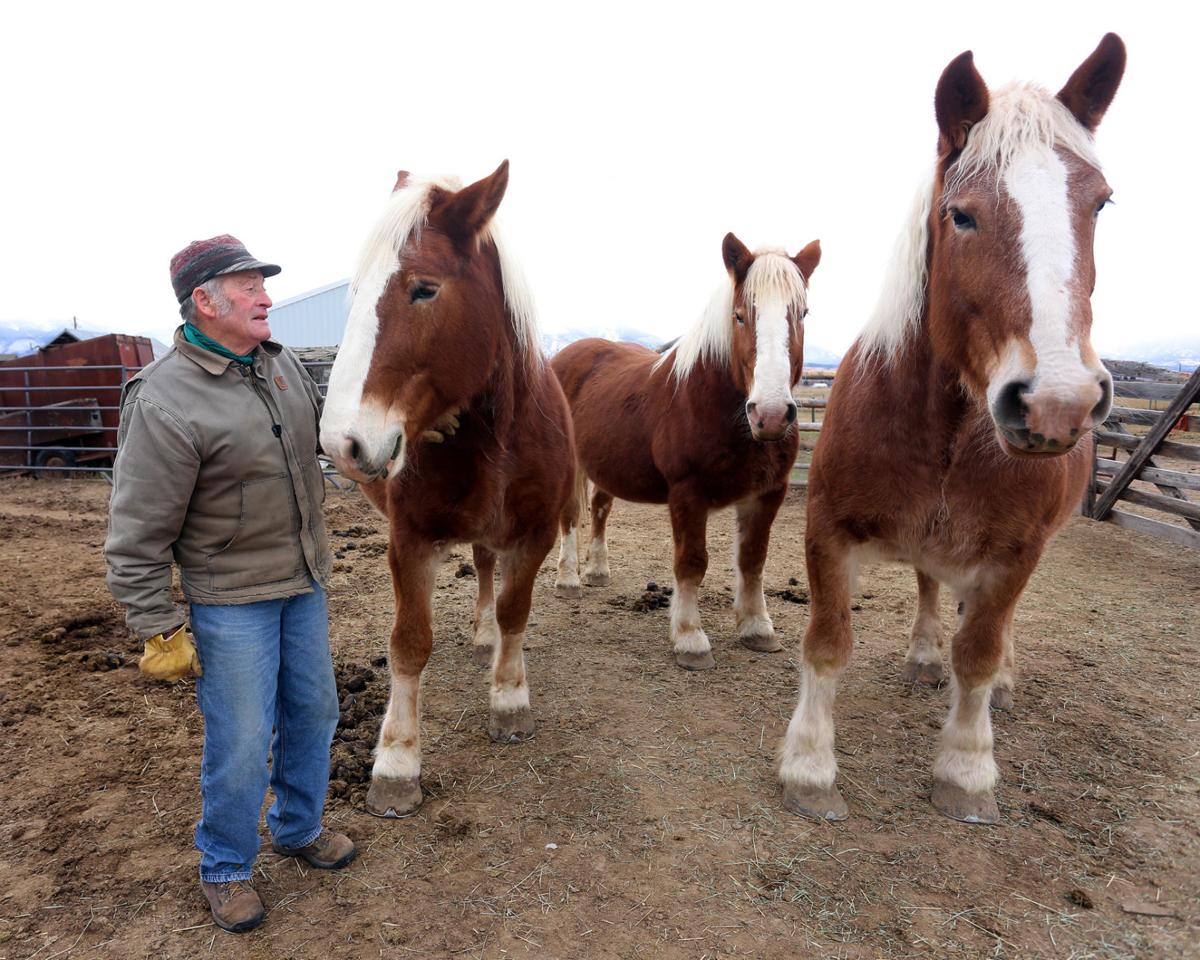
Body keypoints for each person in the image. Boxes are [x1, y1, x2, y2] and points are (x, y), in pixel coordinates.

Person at [105, 235, 354, 934]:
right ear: (204, 302)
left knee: (314, 714)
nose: (266, 297)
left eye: (263, 286)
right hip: (228, 599)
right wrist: (157, 621)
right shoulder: (164, 398)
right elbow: (136, 529)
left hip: (303, 581)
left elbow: (315, 454)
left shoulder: (279, 368)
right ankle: (224, 867)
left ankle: (299, 827)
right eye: (248, 288)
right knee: (243, 739)